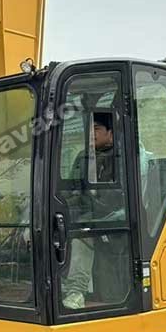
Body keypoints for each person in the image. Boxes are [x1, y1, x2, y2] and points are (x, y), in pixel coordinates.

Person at [62, 112, 117, 310]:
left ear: (110, 133)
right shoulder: (83, 157)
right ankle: (58, 285)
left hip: (112, 216)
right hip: (85, 212)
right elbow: (72, 188)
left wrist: (83, 204)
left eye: (97, 129)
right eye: (89, 129)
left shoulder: (120, 157)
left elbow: (114, 198)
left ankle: (76, 291)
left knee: (82, 236)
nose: (92, 134)